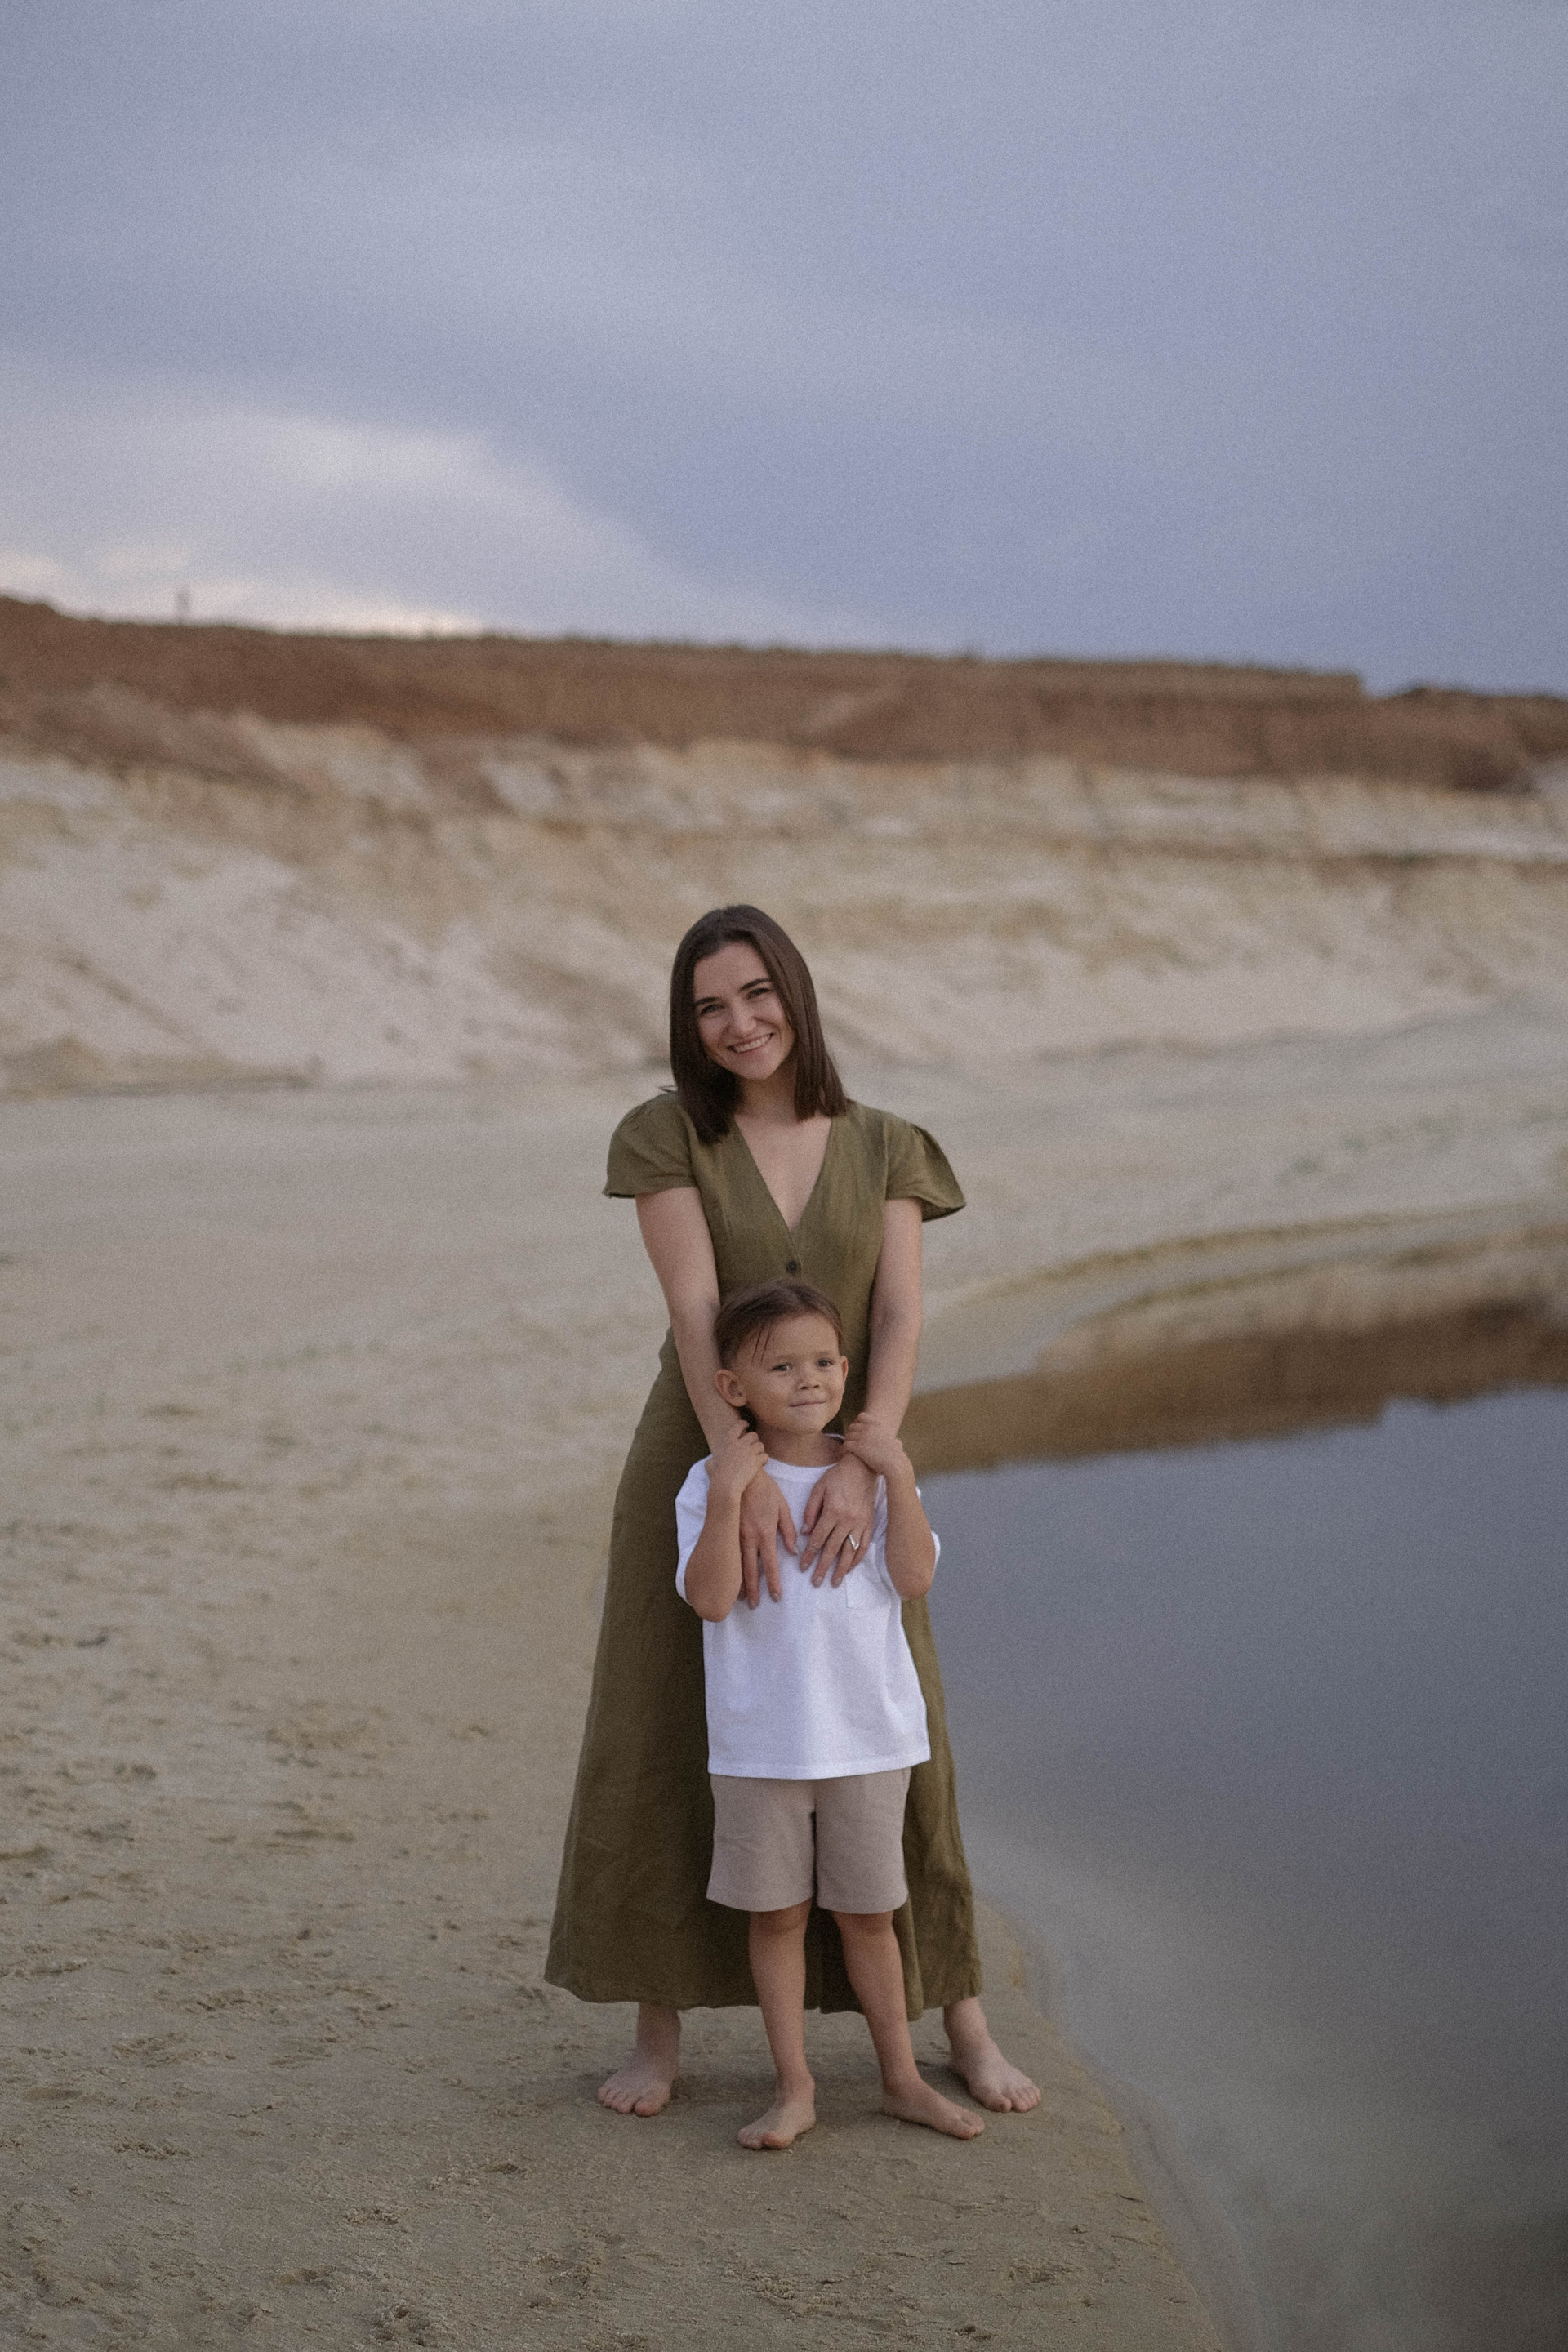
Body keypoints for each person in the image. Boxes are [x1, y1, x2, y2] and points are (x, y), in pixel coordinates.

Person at [545, 902, 1039, 2120]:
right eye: (709, 1006)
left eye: (757, 993)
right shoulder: (667, 1134)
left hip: (850, 1452)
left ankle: (959, 2021)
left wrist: (868, 1458)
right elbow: (692, 1309)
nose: (739, 1023)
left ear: (796, 994)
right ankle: (656, 2031)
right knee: (665, 1717)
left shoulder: (887, 1144)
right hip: (704, 1449)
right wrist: (739, 1466)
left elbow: (900, 1317)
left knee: (895, 1726)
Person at [678, 1276, 984, 2150]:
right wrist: (732, 1492)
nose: (808, 1380)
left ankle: (901, 2080)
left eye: (822, 1362)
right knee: (775, 1918)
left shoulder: (873, 1474)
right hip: (761, 1745)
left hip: (868, 1739)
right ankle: (795, 2088)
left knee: (869, 1917)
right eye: (781, 1367)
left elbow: (914, 1580)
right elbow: (709, 1599)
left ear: (848, 1370)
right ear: (733, 1388)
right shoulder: (711, 1480)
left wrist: (900, 1474)